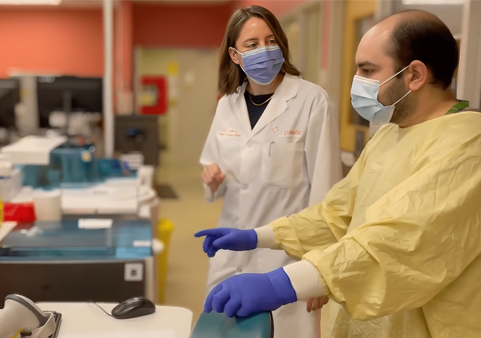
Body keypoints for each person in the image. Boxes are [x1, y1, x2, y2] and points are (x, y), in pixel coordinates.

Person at [196, 10, 481, 338]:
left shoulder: (467, 144)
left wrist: (285, 281)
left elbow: (395, 245)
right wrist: (257, 237)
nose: (356, 82)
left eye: (367, 70)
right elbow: (335, 215)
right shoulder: (390, 135)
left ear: (414, 74)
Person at [198, 5, 342, 338]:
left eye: (270, 40)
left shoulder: (311, 101)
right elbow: (213, 169)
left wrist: (319, 270)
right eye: (251, 44)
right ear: (235, 55)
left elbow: (328, 195)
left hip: (285, 265)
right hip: (230, 257)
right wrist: (212, 179)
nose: (263, 49)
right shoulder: (227, 106)